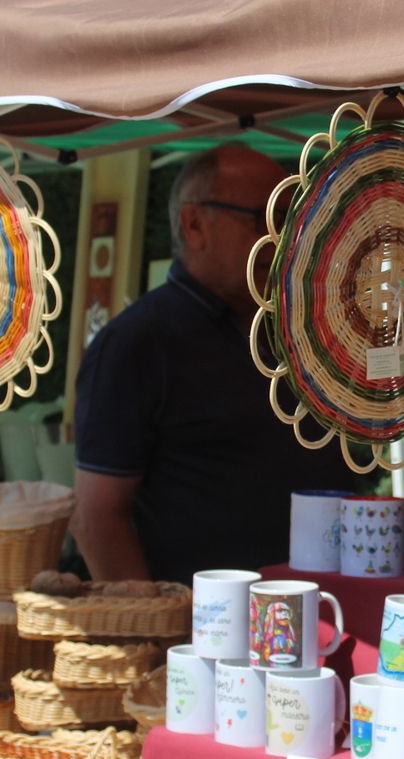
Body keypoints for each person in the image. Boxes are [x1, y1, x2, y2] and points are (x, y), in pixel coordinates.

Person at [73, 144, 354, 582]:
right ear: (194, 224)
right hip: (202, 635)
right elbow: (96, 520)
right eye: (262, 218)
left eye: (287, 219)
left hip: (318, 618)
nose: (278, 238)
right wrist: (154, 631)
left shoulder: (297, 333)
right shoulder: (136, 342)